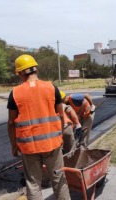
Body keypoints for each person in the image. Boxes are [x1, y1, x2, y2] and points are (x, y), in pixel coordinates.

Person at [7, 54, 70, 200]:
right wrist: (59, 137)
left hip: (29, 149)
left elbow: (11, 122)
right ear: (35, 69)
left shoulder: (15, 93)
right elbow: (61, 116)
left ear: (21, 72)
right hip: (52, 145)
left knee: (33, 184)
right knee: (59, 180)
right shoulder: (51, 88)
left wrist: (14, 145)